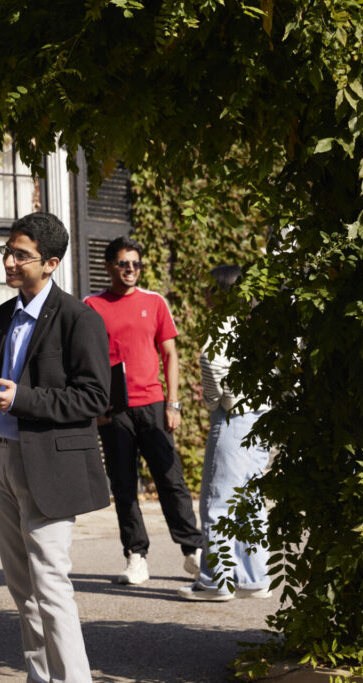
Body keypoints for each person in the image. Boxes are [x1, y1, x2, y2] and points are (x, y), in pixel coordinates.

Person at [0, 212, 111, 683]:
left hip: (50, 467)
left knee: (51, 585)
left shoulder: (79, 318)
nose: (10, 262)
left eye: (21, 255)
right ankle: (40, 677)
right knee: (22, 590)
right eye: (7, 252)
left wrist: (22, 399)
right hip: (2, 462)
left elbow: (96, 397)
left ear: (50, 263)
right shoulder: (1, 316)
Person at [83, 236, 203, 585]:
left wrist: (174, 403)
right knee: (124, 486)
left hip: (153, 405)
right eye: (123, 263)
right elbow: (84, 361)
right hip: (113, 410)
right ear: (109, 266)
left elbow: (171, 355)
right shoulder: (91, 305)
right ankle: (136, 556)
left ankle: (192, 551)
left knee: (172, 481)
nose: (131, 270)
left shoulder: (155, 302)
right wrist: (96, 408)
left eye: (136, 264)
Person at [178, 265, 272, 601]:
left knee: (218, 500)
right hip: (262, 416)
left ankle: (216, 582)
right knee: (248, 498)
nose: (203, 294)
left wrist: (217, 399)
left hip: (235, 418)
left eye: (208, 288)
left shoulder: (221, 324)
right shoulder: (259, 324)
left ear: (220, 292)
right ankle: (253, 576)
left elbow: (212, 366)